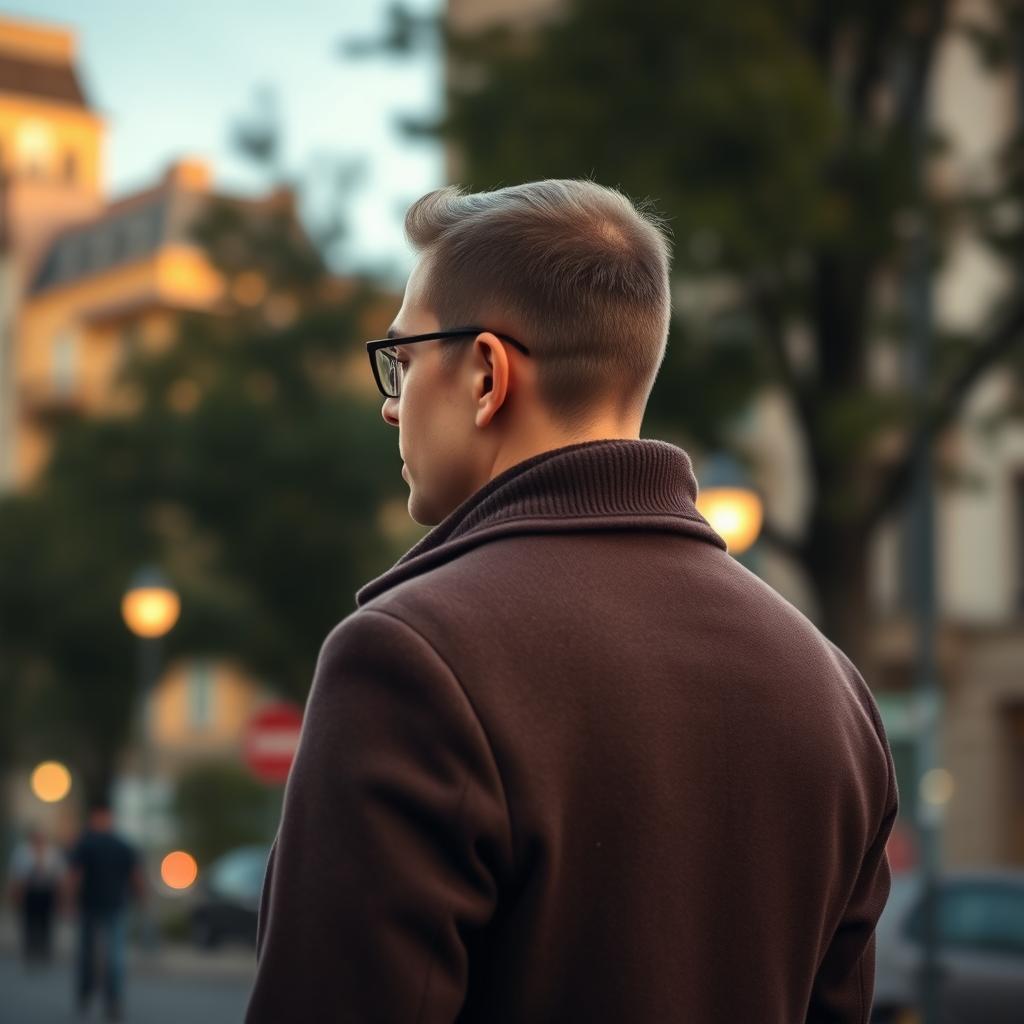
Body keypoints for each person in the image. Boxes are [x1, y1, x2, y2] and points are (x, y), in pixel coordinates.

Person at [245, 180, 899, 1023]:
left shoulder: (409, 658)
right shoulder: (834, 692)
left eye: (402, 361)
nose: (390, 402)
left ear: (486, 373)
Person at [64, 794, 146, 1023]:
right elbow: (74, 876)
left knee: (109, 958)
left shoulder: (101, 844)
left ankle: (105, 1000)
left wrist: (140, 899)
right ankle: (96, 998)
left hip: (109, 906)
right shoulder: (92, 844)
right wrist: (69, 902)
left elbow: (135, 875)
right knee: (95, 957)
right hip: (94, 906)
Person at [6, 824, 66, 968]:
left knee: (46, 923)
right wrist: (15, 894)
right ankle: (30, 951)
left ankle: (45, 951)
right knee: (29, 923)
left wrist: (61, 896)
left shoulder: (53, 852)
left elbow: (60, 874)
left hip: (46, 890)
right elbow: (16, 874)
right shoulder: (22, 852)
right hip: (29, 891)